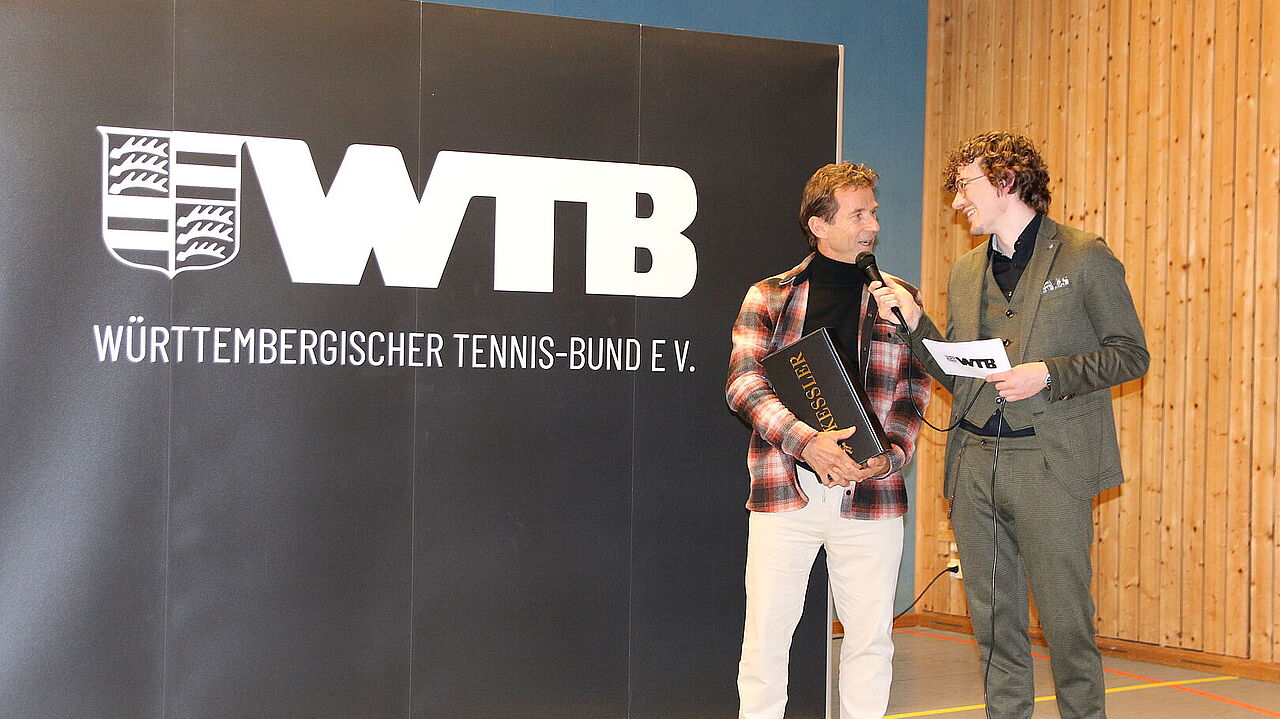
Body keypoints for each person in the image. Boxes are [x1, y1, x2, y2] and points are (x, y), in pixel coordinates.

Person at [869, 131, 1149, 719]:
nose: (957, 202)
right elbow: (961, 376)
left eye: (965, 186)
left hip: (1052, 469)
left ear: (1005, 181)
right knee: (995, 629)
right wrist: (916, 325)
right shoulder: (966, 270)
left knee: (1068, 625)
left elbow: (1130, 355)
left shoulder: (1083, 256)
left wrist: (1048, 373)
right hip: (975, 466)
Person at [726, 162, 928, 719]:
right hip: (786, 492)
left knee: (870, 642)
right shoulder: (770, 295)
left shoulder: (901, 299)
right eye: (858, 214)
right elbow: (743, 384)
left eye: (874, 213)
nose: (873, 226)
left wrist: (890, 457)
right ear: (820, 224)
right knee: (766, 642)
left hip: (872, 495)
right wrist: (807, 444)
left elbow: (915, 391)